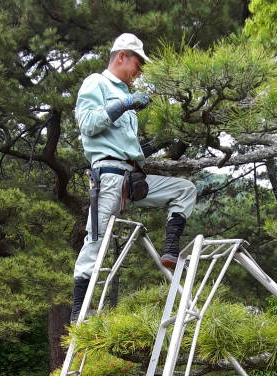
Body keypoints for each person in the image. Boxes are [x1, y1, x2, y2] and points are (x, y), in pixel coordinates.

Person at [70, 33, 198, 321]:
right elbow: (88, 124)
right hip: (110, 176)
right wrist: (125, 104)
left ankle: (171, 249)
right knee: (96, 242)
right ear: (122, 56)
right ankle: (78, 315)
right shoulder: (97, 83)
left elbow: (125, 146)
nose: (140, 71)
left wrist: (157, 143)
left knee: (184, 189)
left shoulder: (125, 94)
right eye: (138, 63)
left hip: (132, 177)